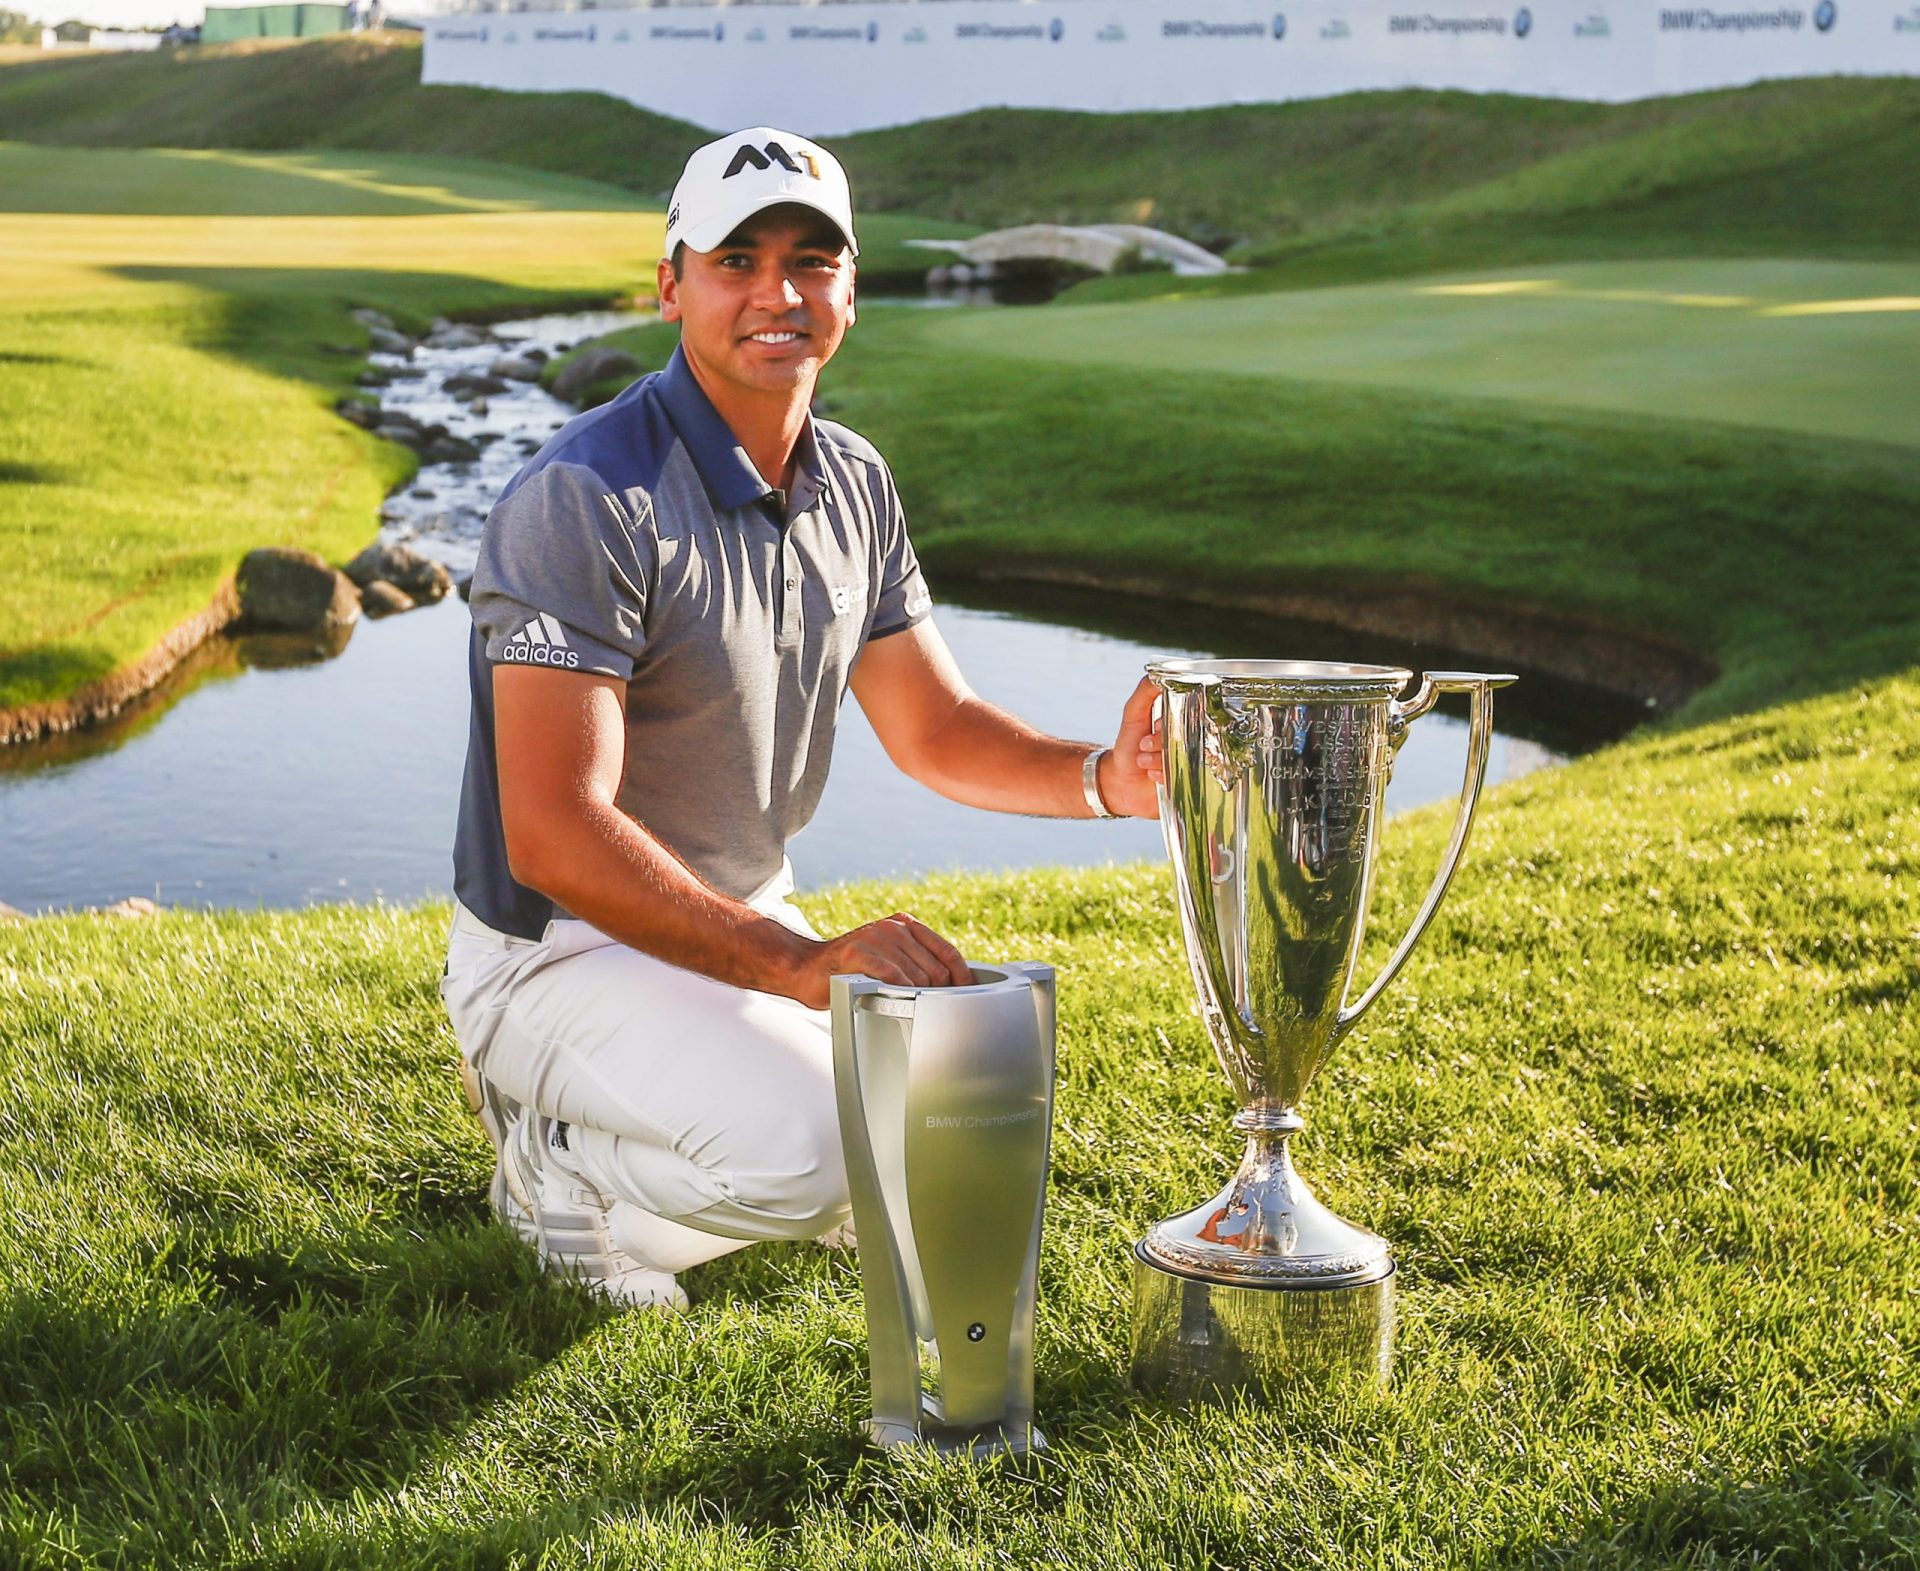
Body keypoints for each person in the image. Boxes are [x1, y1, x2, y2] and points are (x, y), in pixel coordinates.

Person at [441, 127, 1162, 1311]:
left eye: (812, 260)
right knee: (821, 1155)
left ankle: (663, 1135)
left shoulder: (853, 480)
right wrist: (800, 966)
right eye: (737, 259)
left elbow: (935, 725)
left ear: (851, 290)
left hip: (732, 915)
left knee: (929, 1128)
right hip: (557, 948)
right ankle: (554, 1166)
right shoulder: (585, 494)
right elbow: (555, 831)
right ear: (672, 282)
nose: (778, 293)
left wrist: (1108, 779)